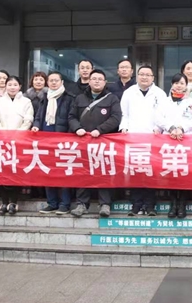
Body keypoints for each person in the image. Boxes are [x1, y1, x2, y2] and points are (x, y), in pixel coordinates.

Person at [69, 69, 122, 218]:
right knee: (83, 172)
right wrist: (77, 128)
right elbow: (71, 117)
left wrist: (100, 130)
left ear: (105, 82)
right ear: (89, 81)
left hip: (103, 142)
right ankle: (81, 204)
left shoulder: (112, 99)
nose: (97, 81)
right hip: (83, 142)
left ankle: (105, 204)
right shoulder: (80, 98)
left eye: (100, 79)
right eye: (94, 79)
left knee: (104, 172)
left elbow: (116, 118)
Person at [120, 65, 167, 216]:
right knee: (135, 172)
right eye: (142, 74)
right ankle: (136, 204)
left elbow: (163, 115)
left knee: (151, 172)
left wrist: (158, 129)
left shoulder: (159, 93)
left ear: (153, 77)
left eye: (148, 75)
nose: (144, 77)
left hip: (152, 139)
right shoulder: (129, 92)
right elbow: (124, 114)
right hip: (134, 139)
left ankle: (150, 205)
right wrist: (124, 128)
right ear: (137, 76)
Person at [156, 73, 192, 219]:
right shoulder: (164, 101)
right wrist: (171, 128)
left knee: (184, 173)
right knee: (171, 173)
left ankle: (182, 204)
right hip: (168, 141)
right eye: (176, 83)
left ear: (186, 85)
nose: (179, 86)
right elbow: (158, 118)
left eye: (182, 83)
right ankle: (173, 203)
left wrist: (181, 128)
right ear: (172, 84)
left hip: (185, 141)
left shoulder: (191, 102)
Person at [31, 72, 75, 216]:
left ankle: (65, 204)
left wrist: (68, 137)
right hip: (45, 140)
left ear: (62, 82)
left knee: (63, 173)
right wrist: (36, 125)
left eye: (56, 80)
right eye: (51, 81)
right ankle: (52, 203)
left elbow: (71, 118)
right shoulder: (45, 97)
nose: (54, 83)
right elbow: (39, 116)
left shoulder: (69, 98)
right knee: (48, 171)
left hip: (62, 141)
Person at [0, 76, 34, 215]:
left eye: (15, 84)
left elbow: (28, 120)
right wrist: (4, 133)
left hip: (19, 141)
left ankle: (14, 202)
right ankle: (4, 202)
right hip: (2, 141)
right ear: (6, 86)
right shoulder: (0, 102)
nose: (12, 87)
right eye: (9, 84)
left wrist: (17, 134)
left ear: (20, 86)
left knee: (16, 171)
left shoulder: (26, 101)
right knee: (3, 171)